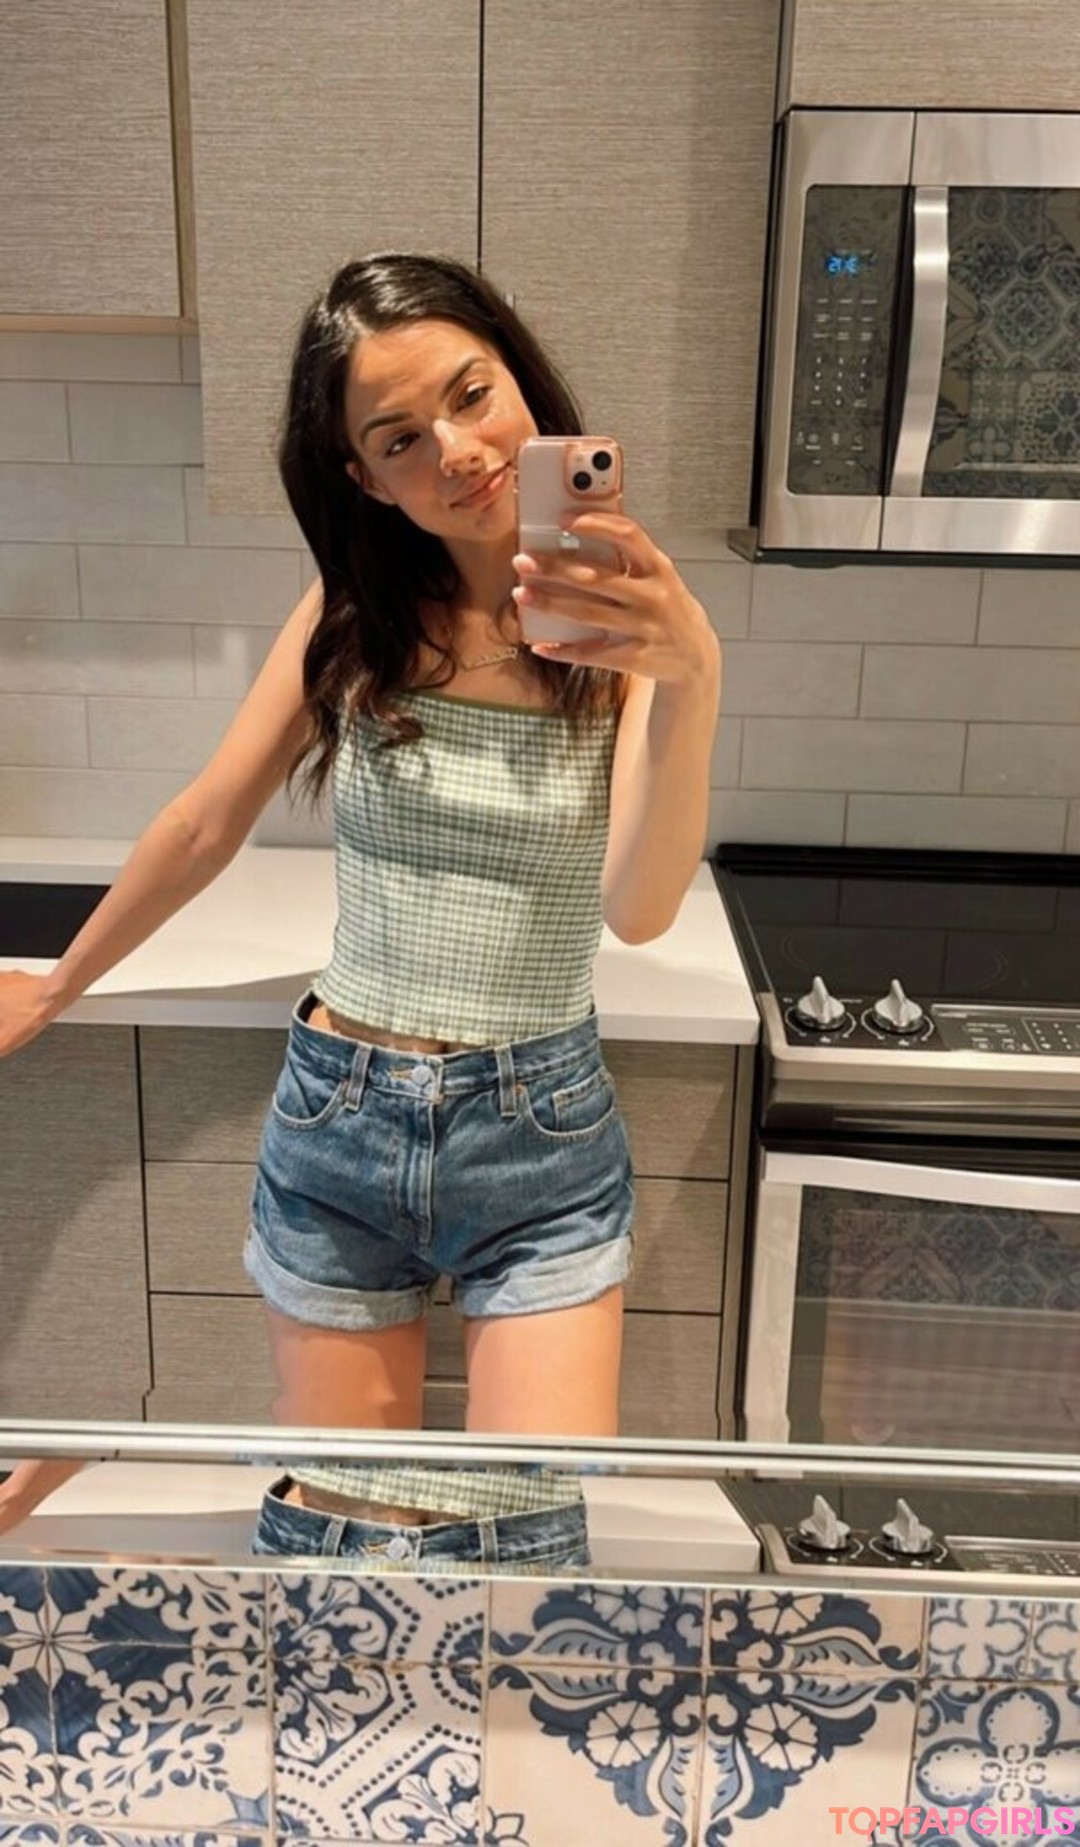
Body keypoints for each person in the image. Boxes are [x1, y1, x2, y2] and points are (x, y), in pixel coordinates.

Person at [0, 253, 721, 1569]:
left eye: (472, 394)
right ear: (366, 478)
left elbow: (639, 906)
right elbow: (205, 821)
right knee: (337, 1556)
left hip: (542, 1138)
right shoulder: (350, 616)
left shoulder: (626, 632)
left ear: (519, 379)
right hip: (340, 1118)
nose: (459, 451)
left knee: (522, 1550)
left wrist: (695, 674)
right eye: (402, 439)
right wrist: (55, 983)